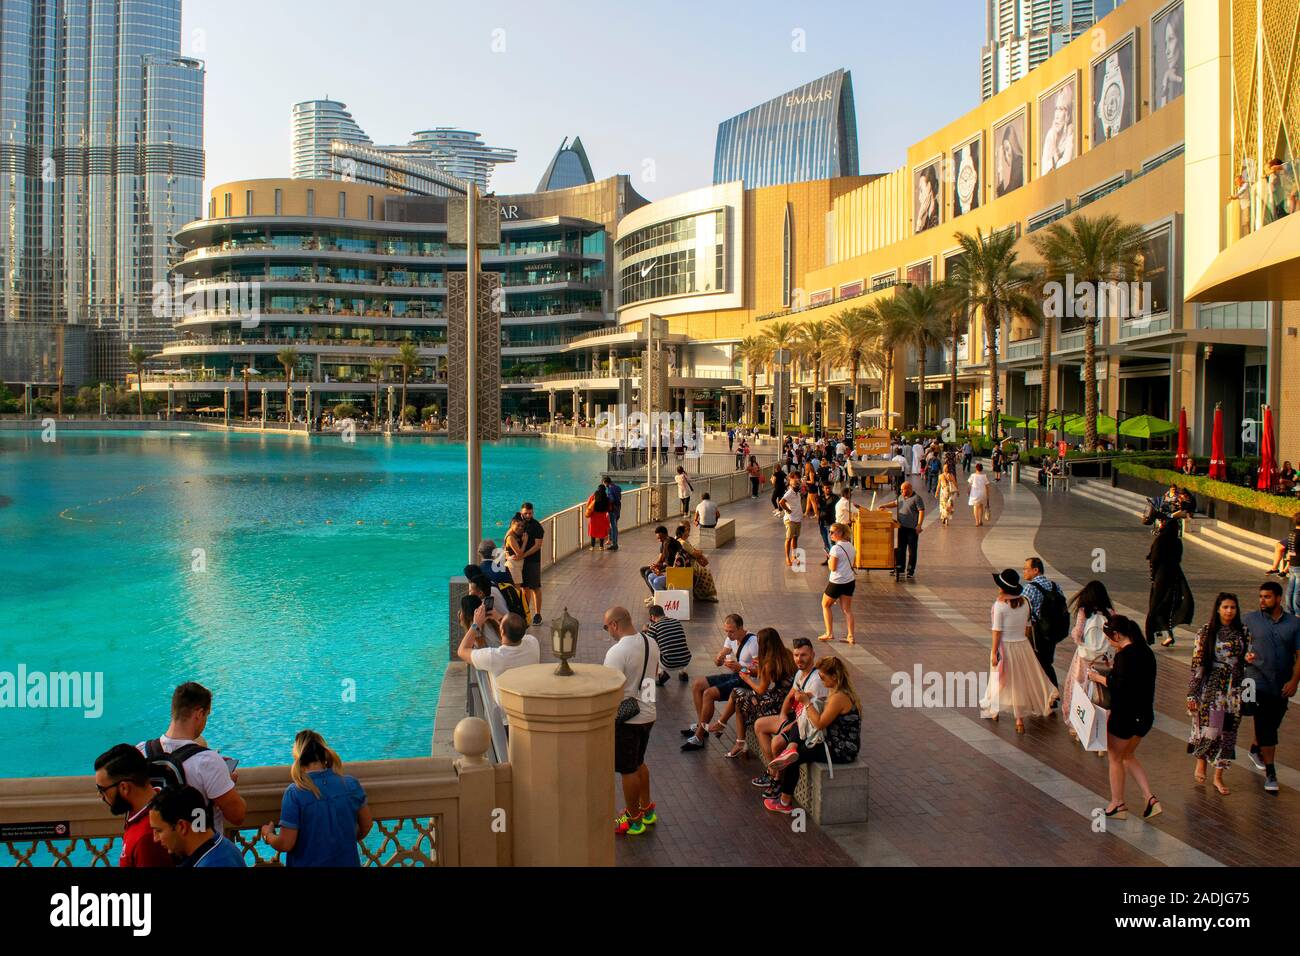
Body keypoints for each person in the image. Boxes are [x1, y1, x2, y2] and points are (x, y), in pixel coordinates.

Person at [137, 682, 246, 837]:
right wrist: (227, 781)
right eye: (207, 715)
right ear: (199, 714)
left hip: (156, 848)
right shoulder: (208, 761)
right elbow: (237, 815)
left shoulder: (141, 752)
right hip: (199, 853)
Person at [763, 657, 861, 814]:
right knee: (797, 724)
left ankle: (785, 802)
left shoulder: (839, 697)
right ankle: (791, 747)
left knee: (794, 759)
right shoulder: (836, 691)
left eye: (823, 677)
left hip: (841, 750)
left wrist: (807, 702)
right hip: (832, 742)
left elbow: (819, 723)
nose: (821, 680)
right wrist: (811, 699)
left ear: (834, 677)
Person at [1086, 616, 1161, 820]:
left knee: (1115, 758)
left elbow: (1120, 685)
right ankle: (1150, 798)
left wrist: (1098, 677)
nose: (1109, 641)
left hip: (1125, 717)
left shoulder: (1124, 656)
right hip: (1145, 716)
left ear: (1117, 635)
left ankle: (1117, 803)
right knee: (1128, 755)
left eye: (1109, 638)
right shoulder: (1146, 652)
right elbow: (1134, 679)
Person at [260, 730, 372, 866]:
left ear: (298, 757)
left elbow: (286, 844)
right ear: (324, 754)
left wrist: (268, 835)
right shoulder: (350, 784)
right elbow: (366, 825)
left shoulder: (295, 793)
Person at [979, 569, 1058, 733]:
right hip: (1022, 646)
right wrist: (1024, 643)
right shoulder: (1025, 602)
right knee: (1019, 682)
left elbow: (997, 631)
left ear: (1002, 588)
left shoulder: (999, 605)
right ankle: (1019, 720)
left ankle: (994, 710)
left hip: (1005, 647)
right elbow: (1028, 629)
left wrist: (994, 652)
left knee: (998, 678)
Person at [1188, 592, 1250, 796]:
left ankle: (1218, 776)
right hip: (1212, 688)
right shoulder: (1206, 632)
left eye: (1233, 607)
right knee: (1210, 728)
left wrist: (1249, 659)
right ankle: (1201, 762)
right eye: (1225, 607)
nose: (1229, 611)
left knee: (1229, 733)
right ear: (1218, 608)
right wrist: (1192, 693)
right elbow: (1197, 663)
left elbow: (1247, 659)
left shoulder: (1243, 632)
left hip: (1234, 689)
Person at [605, 606, 659, 836]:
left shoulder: (617, 652)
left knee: (627, 770)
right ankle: (647, 810)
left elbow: (608, 687)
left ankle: (633, 818)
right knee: (639, 763)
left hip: (627, 719)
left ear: (615, 625)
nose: (607, 631)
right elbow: (652, 677)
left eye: (606, 627)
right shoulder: (650, 642)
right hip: (648, 713)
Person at [1242, 581, 1300, 793]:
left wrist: (1294, 681)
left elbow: (1299, 656)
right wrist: (1243, 655)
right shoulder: (1250, 620)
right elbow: (1234, 641)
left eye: (1266, 597)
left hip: (1281, 684)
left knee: (1273, 723)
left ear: (1278, 598)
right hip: (1256, 681)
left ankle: (1256, 748)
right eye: (1260, 597)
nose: (1262, 601)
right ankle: (1271, 773)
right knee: (1265, 723)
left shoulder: (1294, 624)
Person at [750, 638, 827, 794]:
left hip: (807, 723)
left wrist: (790, 724)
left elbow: (812, 711)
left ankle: (777, 780)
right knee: (759, 725)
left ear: (813, 654)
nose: (799, 659)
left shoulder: (816, 680)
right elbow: (790, 696)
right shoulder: (799, 673)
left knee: (777, 743)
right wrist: (783, 715)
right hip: (795, 716)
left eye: (804, 655)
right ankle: (772, 773)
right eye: (796, 655)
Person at [683, 614, 757, 751]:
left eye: (731, 631)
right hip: (737, 674)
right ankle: (702, 725)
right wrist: (719, 658)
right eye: (726, 631)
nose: (729, 635)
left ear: (741, 628)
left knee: (708, 694)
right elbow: (723, 653)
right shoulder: (731, 638)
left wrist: (742, 668)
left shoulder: (753, 642)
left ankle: (699, 737)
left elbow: (760, 670)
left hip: (748, 681)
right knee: (697, 684)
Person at [93, 744, 173, 867]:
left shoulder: (147, 838)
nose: (100, 795)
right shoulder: (141, 813)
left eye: (102, 789)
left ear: (124, 787)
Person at [726, 628, 797, 759]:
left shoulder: (769, 662)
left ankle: (734, 735)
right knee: (740, 697)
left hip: (777, 702)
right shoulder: (787, 653)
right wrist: (758, 669)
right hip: (787, 697)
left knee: (737, 694)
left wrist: (747, 679)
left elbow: (761, 690)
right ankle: (732, 733)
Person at [457, 605, 540, 714]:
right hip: (530, 709)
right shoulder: (533, 643)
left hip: (506, 720)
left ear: (501, 631)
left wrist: (476, 624)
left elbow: (462, 651)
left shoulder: (494, 657)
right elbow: (518, 632)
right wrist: (500, 618)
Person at [1061, 580, 1115, 745]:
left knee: (1079, 690)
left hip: (1085, 658)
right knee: (1101, 694)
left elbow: (1077, 634)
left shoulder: (1084, 611)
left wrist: (1080, 640)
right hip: (1104, 660)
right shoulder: (1110, 612)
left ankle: (1079, 726)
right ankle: (1101, 728)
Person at [148, 786, 246, 867]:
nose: (155, 838)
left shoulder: (215, 863)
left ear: (182, 826)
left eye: (159, 830)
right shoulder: (221, 847)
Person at [1146, 516, 1195, 647]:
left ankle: (1157, 633)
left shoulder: (1160, 540)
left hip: (1161, 577)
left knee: (1157, 605)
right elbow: (1178, 558)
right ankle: (1165, 633)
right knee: (1169, 604)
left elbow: (1154, 559)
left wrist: (1153, 575)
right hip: (1175, 576)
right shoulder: (1177, 542)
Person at [1023, 557, 1069, 694]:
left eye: (1026, 569)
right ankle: (1049, 695)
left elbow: (1020, 609)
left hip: (1036, 631)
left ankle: (1050, 694)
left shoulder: (1030, 588)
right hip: (1053, 631)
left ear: (1036, 570)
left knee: (1038, 663)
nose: (1024, 572)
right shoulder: (1055, 586)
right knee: (1046, 662)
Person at [817, 523, 858, 644]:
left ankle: (829, 633)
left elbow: (833, 568)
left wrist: (829, 558)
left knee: (825, 605)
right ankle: (851, 636)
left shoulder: (835, 548)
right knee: (847, 610)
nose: (830, 534)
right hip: (849, 581)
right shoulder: (851, 546)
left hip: (837, 581)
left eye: (832, 532)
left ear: (840, 533)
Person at [880, 481, 924, 579]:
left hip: (912, 529)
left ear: (909, 489)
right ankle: (900, 568)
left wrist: (919, 525)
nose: (901, 491)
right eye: (901, 489)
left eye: (903, 489)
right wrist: (885, 505)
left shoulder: (917, 498)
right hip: (902, 527)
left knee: (912, 550)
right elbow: (895, 503)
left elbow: (921, 511)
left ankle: (910, 570)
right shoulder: (901, 496)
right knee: (901, 549)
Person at [516, 502, 545, 626]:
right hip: (521, 561)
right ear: (521, 512)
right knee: (524, 588)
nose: (528, 515)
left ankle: (538, 614)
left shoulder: (537, 526)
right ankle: (525, 611)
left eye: (530, 513)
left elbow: (538, 545)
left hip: (533, 561)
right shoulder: (517, 522)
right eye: (525, 513)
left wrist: (524, 554)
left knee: (535, 587)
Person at [647, 604, 691, 685]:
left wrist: (645, 631)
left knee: (653, 650)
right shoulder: (677, 621)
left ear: (652, 617)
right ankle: (683, 673)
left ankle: (662, 674)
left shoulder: (654, 627)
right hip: (686, 660)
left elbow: (647, 643)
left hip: (668, 663)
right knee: (678, 645)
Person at [674, 524, 718, 603]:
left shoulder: (680, 540)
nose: (688, 532)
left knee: (705, 571)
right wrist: (701, 552)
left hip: (686, 563)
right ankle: (705, 595)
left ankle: (701, 594)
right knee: (706, 572)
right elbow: (694, 554)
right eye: (687, 530)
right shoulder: (683, 542)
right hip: (689, 565)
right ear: (683, 533)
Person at [640, 525, 682, 595]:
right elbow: (660, 560)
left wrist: (661, 572)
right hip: (665, 567)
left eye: (660, 538)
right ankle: (655, 595)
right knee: (643, 570)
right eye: (658, 538)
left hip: (672, 570)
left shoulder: (673, 545)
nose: (659, 540)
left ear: (665, 535)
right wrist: (655, 565)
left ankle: (657, 596)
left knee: (648, 573)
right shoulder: (664, 543)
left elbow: (674, 565)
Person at [779, 477, 803, 568]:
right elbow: (781, 502)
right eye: (796, 484)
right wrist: (788, 510)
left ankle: (794, 556)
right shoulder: (789, 493)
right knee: (788, 538)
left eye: (798, 484)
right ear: (791, 485)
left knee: (795, 538)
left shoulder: (797, 493)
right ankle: (787, 558)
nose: (797, 485)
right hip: (790, 520)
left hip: (798, 519)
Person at [503, 517, 529, 588]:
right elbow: (519, 553)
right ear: (512, 525)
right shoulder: (510, 537)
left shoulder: (514, 534)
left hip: (516, 566)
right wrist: (525, 541)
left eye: (522, 526)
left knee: (517, 588)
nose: (520, 528)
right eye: (518, 525)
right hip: (513, 566)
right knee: (516, 589)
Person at [585, 483, 611, 551]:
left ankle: (592, 546)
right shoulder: (606, 498)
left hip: (594, 517)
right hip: (602, 517)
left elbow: (588, 505)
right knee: (601, 532)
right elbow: (609, 508)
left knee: (593, 531)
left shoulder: (593, 496)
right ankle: (601, 546)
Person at [603, 476, 623, 552]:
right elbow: (619, 497)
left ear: (606, 482)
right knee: (614, 525)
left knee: (613, 527)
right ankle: (611, 540)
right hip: (618, 508)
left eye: (604, 483)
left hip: (612, 510)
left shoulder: (610, 489)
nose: (604, 485)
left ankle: (615, 544)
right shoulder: (617, 487)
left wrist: (606, 499)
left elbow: (611, 499)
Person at [937, 461, 958, 526]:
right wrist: (936, 492)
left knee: (948, 506)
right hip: (944, 492)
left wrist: (957, 490)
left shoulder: (950, 475)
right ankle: (945, 518)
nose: (944, 468)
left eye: (945, 467)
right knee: (944, 506)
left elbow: (955, 483)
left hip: (948, 492)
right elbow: (939, 485)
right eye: (944, 467)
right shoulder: (941, 476)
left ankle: (945, 518)